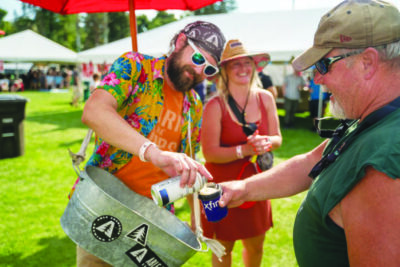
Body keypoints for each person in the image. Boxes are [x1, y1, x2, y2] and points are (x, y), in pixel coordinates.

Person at [218, 1, 400, 266]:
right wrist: (243, 188)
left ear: (367, 63)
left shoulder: (384, 161)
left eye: (324, 65)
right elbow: (311, 161)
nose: (316, 79)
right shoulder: (373, 118)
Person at [73, 21, 225, 266]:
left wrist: (197, 217)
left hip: (154, 222)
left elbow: (188, 165)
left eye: (208, 70)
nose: (199, 71)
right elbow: (93, 111)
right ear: (179, 42)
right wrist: (152, 152)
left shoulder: (194, 104)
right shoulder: (135, 66)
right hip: (104, 207)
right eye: (198, 58)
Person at [200, 39, 282, 267]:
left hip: (256, 183)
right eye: (235, 64)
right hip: (222, 188)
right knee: (223, 248)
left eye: (247, 62)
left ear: (254, 67)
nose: (243, 68)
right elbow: (210, 154)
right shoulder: (214, 105)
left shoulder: (266, 98)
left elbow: (277, 138)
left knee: (256, 245)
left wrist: (265, 143)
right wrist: (244, 150)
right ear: (224, 70)